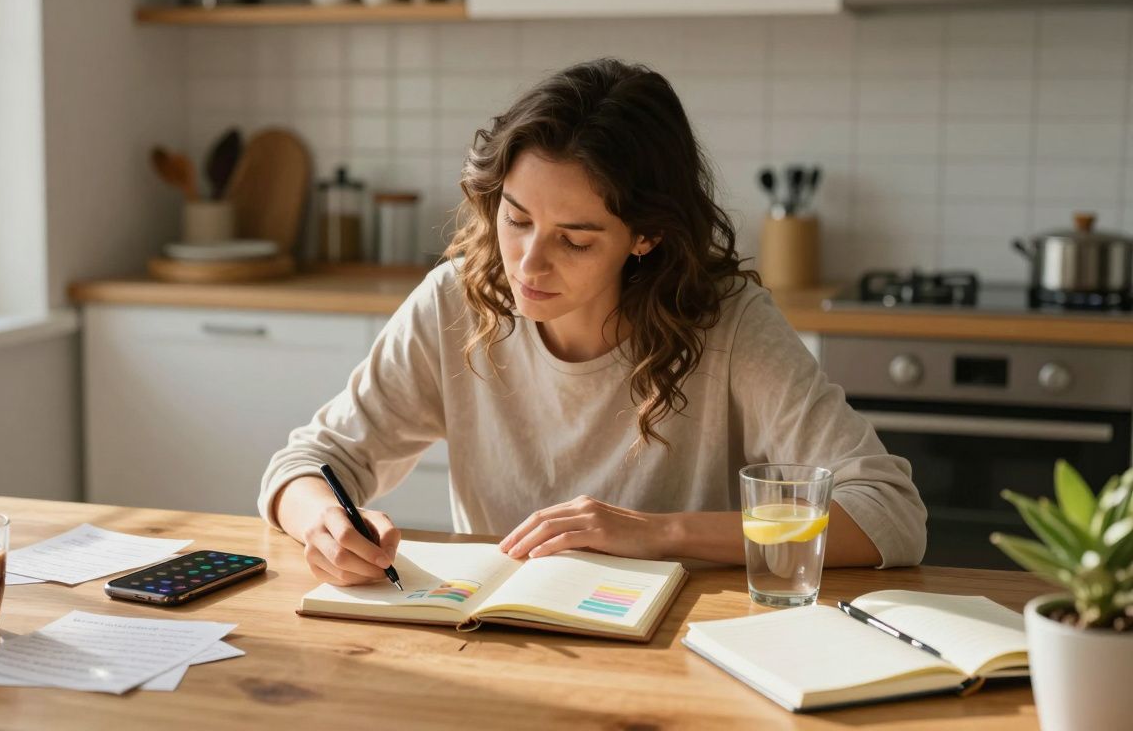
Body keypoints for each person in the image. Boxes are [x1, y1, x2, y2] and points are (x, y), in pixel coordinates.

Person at [259, 58, 926, 587]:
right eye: (517, 218)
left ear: (645, 238)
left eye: (575, 239)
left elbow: (887, 514)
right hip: (497, 642)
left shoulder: (727, 327)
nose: (528, 262)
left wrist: (658, 533)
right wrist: (325, 523)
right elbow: (308, 462)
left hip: (682, 653)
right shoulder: (455, 302)